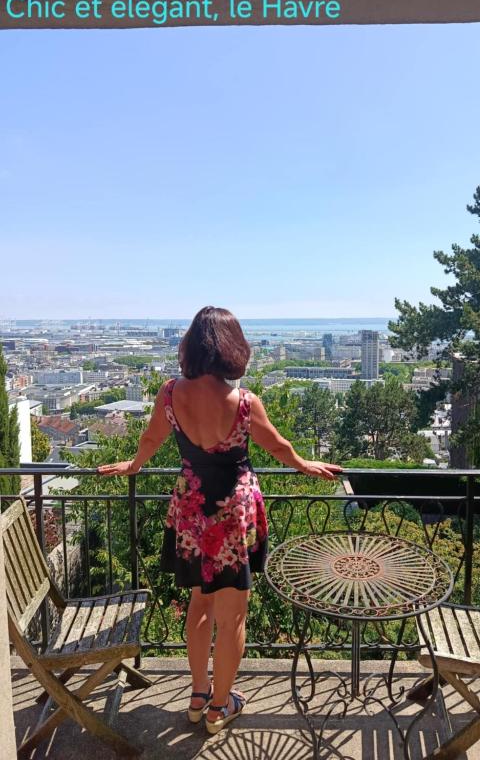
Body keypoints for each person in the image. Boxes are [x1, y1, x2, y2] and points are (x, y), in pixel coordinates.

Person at [98, 306, 342, 734]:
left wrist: (135, 466)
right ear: (233, 347)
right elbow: (279, 446)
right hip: (233, 515)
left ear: (191, 346)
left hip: (192, 510)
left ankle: (197, 695)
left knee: (199, 605)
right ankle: (219, 706)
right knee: (233, 618)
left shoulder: (170, 393)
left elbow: (151, 437)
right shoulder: (244, 403)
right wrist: (305, 465)